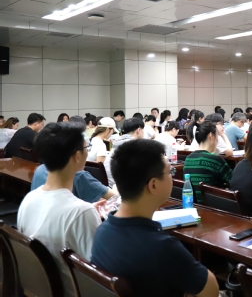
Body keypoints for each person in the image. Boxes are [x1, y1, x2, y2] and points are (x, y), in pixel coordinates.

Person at [91, 139, 219, 297]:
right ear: (153, 185)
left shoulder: (101, 231)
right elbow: (211, 290)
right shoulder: (162, 247)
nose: (172, 176)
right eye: (170, 172)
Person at [18, 122, 103, 297]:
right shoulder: (81, 212)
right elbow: (99, 277)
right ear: (76, 156)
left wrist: (87, 211)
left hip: (38, 289)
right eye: (86, 147)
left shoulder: (29, 199)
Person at [184, 122, 233, 203]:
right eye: (217, 136)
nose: (217, 140)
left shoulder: (188, 158)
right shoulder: (215, 159)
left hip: (194, 205)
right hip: (215, 205)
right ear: (211, 136)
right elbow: (233, 181)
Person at [105, 118, 145, 187]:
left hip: (109, 183)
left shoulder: (118, 141)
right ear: (139, 130)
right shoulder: (134, 145)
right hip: (121, 186)